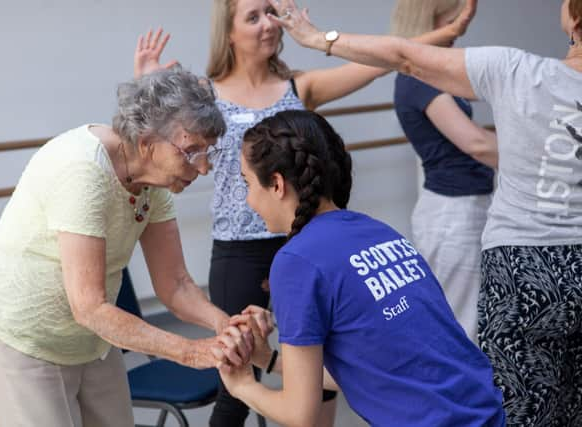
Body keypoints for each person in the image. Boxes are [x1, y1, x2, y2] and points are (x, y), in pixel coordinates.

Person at [132, 3, 479, 425]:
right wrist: (146, 84)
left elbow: (385, 62)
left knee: (324, 371)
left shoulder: (299, 87)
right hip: (240, 253)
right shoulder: (206, 96)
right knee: (235, 386)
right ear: (228, 32)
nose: (268, 25)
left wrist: (444, 35)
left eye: (271, 13)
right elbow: (159, 142)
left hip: (304, 241)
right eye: (253, 16)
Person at [270, 0, 582, 424]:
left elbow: (404, 55)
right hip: (553, 257)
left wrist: (316, 37)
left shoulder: (518, 70)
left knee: (522, 405)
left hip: (523, 271)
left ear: (574, 18)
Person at [0, 67, 252, 427]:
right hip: (22, 331)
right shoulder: (83, 171)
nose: (205, 167)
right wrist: (190, 351)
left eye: (208, 152)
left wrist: (223, 326)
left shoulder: (155, 181)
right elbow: (89, 307)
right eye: (193, 151)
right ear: (147, 142)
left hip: (91, 337)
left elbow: (175, 284)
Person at [213, 109, 505, 427]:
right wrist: (268, 361)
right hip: (488, 413)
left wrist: (242, 385)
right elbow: (374, 372)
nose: (249, 201)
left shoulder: (296, 261)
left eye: (248, 184)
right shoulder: (376, 231)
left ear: (277, 184)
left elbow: (300, 415)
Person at [391, 0, 498, 343]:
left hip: (462, 207)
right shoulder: (417, 76)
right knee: (461, 329)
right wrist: (540, 157)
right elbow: (475, 144)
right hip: (453, 214)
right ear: (431, 19)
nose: (459, 29)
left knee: (468, 323)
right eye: (454, 21)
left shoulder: (431, 72)